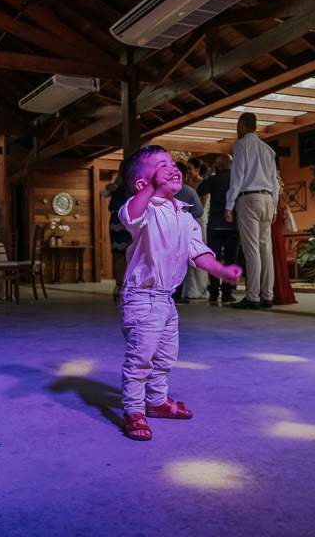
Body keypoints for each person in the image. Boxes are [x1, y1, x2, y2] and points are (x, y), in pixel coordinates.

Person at [116, 145, 242, 441]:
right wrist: (150, 190)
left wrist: (221, 271)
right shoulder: (142, 208)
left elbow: (197, 252)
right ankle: (133, 409)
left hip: (166, 299)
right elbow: (131, 214)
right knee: (141, 359)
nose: (172, 168)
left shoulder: (184, 215)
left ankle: (157, 401)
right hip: (142, 297)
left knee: (165, 357)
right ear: (142, 184)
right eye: (162, 165)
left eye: (172, 163)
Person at [225, 112, 279, 310]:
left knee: (252, 250)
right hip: (267, 199)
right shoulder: (268, 149)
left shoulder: (241, 145)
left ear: (242, 126)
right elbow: (275, 181)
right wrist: (274, 204)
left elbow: (237, 176)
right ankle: (268, 296)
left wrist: (229, 205)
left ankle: (253, 296)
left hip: (249, 199)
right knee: (266, 250)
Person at [198, 154, 241, 304]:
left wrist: (209, 175)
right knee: (231, 259)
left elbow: (201, 190)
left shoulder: (214, 180)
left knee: (214, 259)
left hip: (215, 225)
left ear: (218, 165)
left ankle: (214, 294)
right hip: (233, 225)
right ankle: (228, 293)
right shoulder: (237, 179)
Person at [172, 161, 205, 304]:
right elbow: (199, 212)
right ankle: (176, 294)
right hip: (182, 231)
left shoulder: (158, 190)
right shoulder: (189, 191)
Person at [102, 175, 132, 302]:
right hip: (123, 220)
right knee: (123, 255)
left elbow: (104, 193)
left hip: (122, 219)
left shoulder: (122, 182)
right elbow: (104, 192)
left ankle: (121, 286)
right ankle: (121, 286)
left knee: (122, 255)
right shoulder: (120, 182)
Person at [271, 174, 297, 305]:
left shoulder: (269, 194)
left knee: (271, 258)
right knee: (278, 259)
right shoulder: (281, 196)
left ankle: (272, 292)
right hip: (278, 230)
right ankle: (281, 291)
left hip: (271, 226)